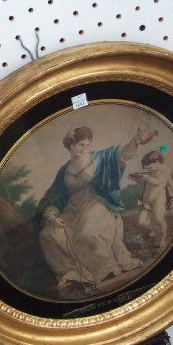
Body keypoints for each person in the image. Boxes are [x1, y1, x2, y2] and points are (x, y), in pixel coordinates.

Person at [35, 125, 153, 296]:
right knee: (48, 234)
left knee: (87, 233)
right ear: (70, 145)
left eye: (87, 145)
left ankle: (106, 268)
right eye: (80, 144)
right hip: (73, 208)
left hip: (98, 202)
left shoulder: (99, 158)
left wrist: (136, 141)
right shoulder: (64, 171)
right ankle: (73, 272)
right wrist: (52, 216)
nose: (84, 148)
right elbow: (54, 194)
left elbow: (121, 156)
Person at [132, 150, 173, 248]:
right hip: (146, 200)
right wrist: (136, 178)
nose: (148, 169)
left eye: (150, 167)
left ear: (157, 162)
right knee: (141, 221)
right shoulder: (150, 170)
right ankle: (154, 230)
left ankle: (163, 239)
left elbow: (159, 182)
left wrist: (147, 178)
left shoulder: (164, 170)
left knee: (159, 219)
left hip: (159, 198)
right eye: (146, 167)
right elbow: (142, 182)